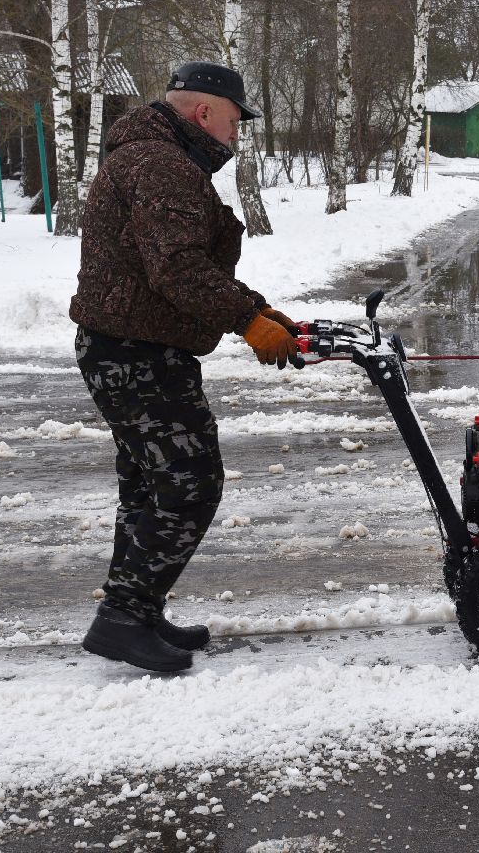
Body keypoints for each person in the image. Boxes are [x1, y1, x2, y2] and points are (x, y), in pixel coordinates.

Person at [70, 61, 299, 673]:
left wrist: (258, 308)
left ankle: (136, 611)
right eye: (234, 121)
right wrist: (248, 321)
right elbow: (177, 268)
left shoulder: (152, 158)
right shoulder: (160, 165)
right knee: (189, 482)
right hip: (136, 354)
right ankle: (124, 614)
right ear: (204, 113)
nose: (237, 133)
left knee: (148, 484)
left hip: (127, 348)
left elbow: (181, 260)